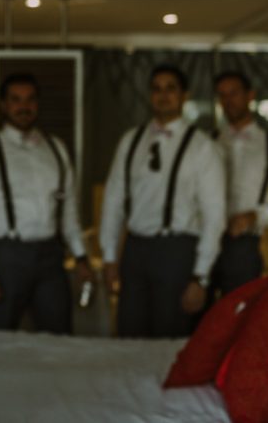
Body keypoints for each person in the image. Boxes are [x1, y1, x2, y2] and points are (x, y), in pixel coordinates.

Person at [100, 64, 225, 338]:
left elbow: (215, 215)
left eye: (171, 88)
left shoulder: (202, 146)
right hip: (135, 249)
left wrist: (200, 276)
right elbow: (114, 199)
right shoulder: (131, 140)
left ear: (184, 95)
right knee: (129, 332)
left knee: (169, 337)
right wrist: (109, 257)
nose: (163, 95)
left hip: (177, 251)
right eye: (156, 89)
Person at [0, 73, 93, 334]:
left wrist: (81, 256)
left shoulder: (55, 148)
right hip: (6, 257)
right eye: (16, 100)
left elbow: (68, 210)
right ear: (3, 105)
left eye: (30, 99)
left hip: (50, 256)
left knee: (58, 335)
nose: (24, 106)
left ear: (38, 103)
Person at [211, 70, 268, 296]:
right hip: (207, 239)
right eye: (222, 95)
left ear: (250, 95)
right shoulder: (210, 143)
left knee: (239, 306)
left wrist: (254, 216)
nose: (228, 101)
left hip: (246, 244)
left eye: (234, 93)